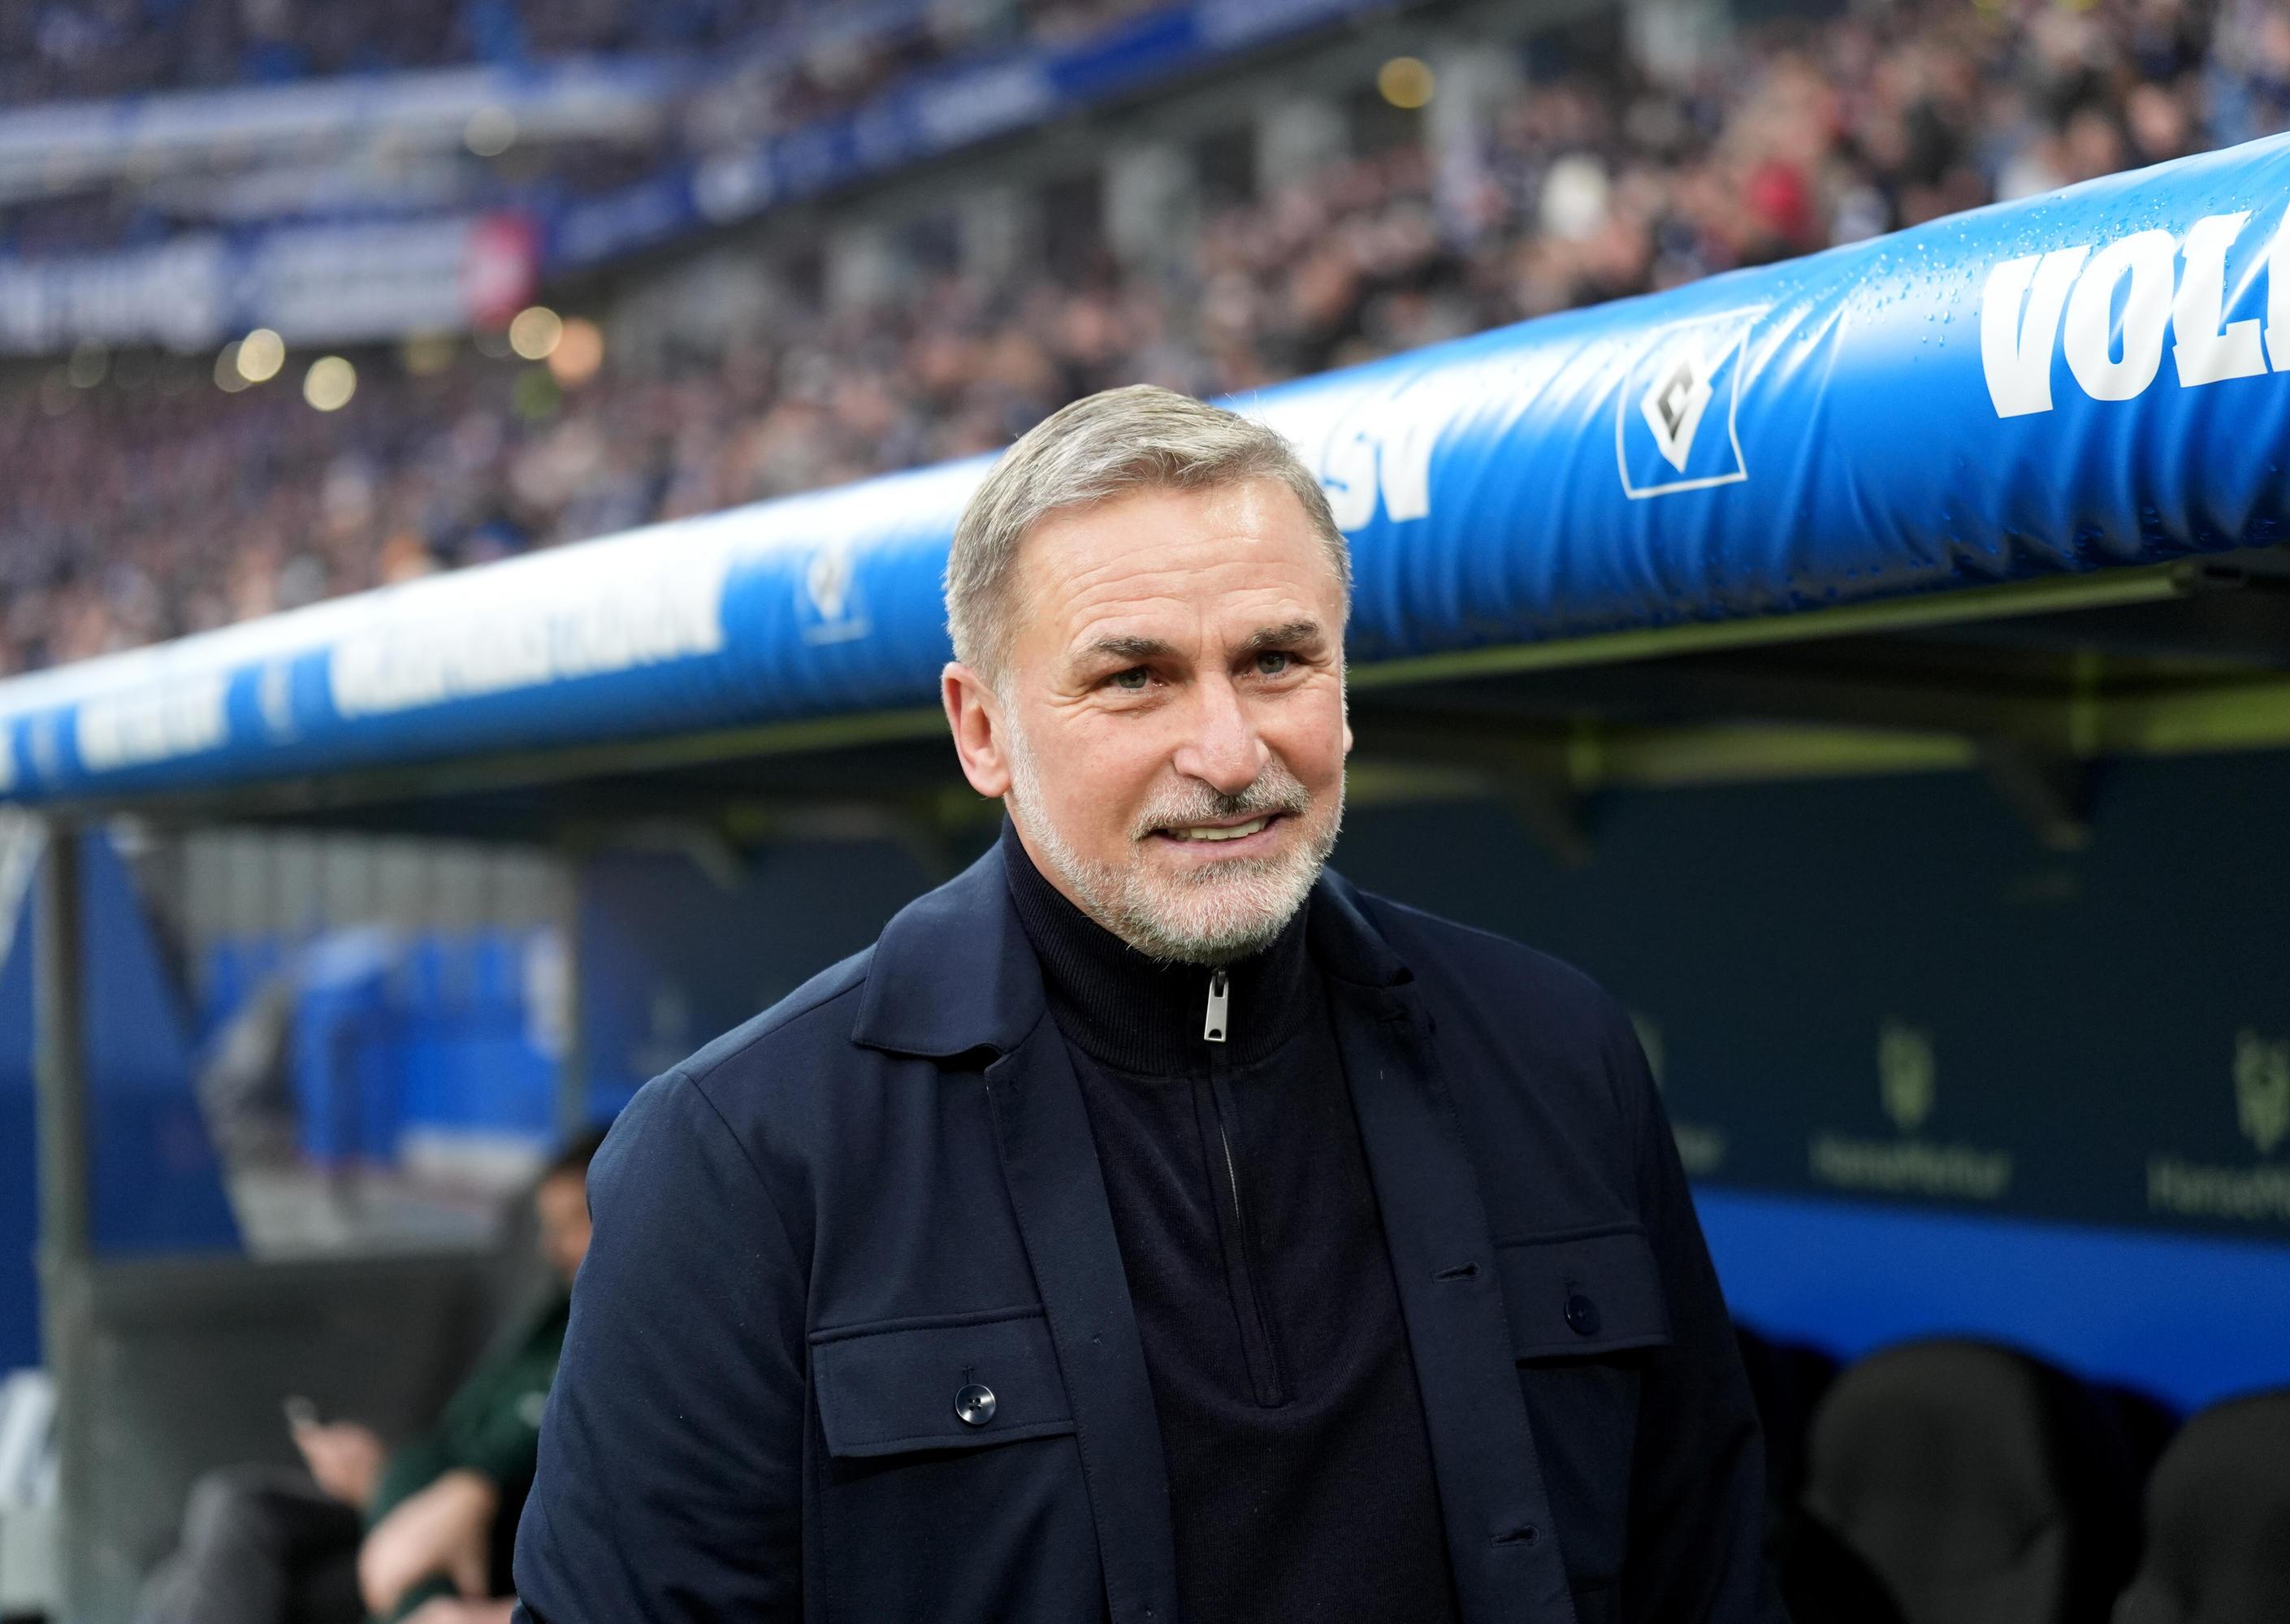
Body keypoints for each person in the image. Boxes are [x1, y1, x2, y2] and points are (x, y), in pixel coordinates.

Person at [513, 385, 1779, 1623]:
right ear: (982, 730)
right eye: (1134, 677)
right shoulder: (745, 1150)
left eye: (1277, 659)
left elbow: (1710, 1570)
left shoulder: (1557, 1051)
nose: (1228, 752)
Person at [138, 1131, 604, 1624]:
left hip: (456, 1543)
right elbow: (451, 1446)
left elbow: (512, 1456)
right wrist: (384, 1476)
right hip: (407, 1502)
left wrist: (464, 1495)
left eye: (575, 1223)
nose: (553, 1247)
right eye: (550, 1227)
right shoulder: (549, 1319)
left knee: (235, 1521)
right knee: (190, 1552)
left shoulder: (596, 1343)